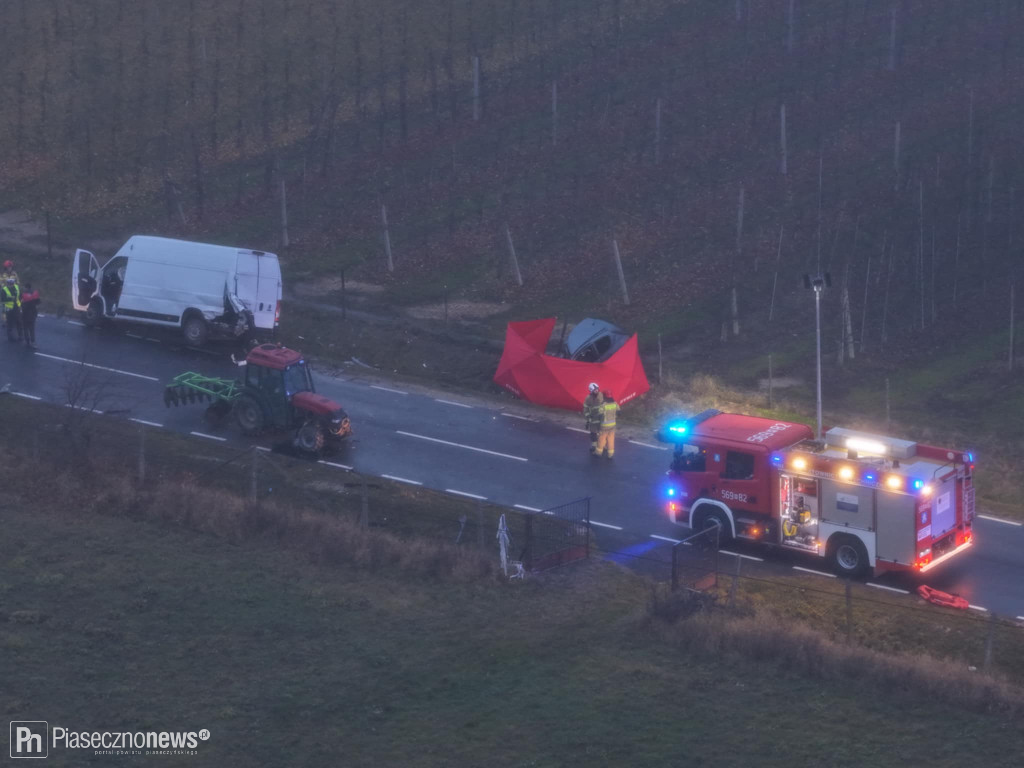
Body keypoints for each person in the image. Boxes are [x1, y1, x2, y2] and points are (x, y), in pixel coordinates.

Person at [595, 390, 618, 459]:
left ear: (604, 396)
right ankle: (610, 454)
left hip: (604, 426)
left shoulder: (603, 405)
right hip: (613, 425)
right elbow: (619, 413)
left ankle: (598, 452)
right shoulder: (615, 404)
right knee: (611, 439)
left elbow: (599, 415)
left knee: (601, 439)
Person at [583, 382, 604, 455]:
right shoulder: (588, 398)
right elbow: (585, 409)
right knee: (593, 433)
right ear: (591, 390)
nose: (597, 391)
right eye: (595, 390)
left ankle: (602, 445)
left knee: (602, 432)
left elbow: (604, 404)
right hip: (593, 419)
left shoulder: (601, 395)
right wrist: (588, 417)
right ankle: (594, 446)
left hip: (601, 418)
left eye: (597, 389)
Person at [2, 276, 22, 342]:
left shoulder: (17, 287)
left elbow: (20, 295)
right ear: (7, 283)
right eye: (9, 283)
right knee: (10, 323)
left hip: (17, 307)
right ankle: (10, 337)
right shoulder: (4, 289)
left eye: (12, 283)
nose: (11, 285)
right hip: (9, 308)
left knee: (18, 322)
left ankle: (20, 336)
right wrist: (10, 298)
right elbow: (2, 299)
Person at [20, 282, 39, 349]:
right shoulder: (35, 293)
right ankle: (33, 342)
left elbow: (21, 304)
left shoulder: (23, 295)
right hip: (33, 314)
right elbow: (38, 302)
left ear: (26, 287)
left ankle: (27, 341)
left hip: (25, 314)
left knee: (25, 328)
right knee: (32, 329)